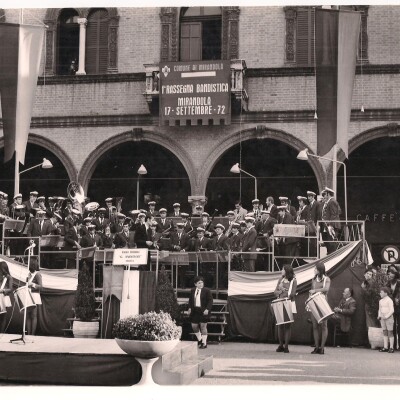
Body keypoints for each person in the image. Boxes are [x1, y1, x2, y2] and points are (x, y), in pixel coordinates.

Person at [274, 265, 297, 353]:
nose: (281, 270)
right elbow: (275, 292)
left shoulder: (293, 281)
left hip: (289, 303)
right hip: (280, 303)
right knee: (280, 325)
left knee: (287, 325)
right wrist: (280, 290)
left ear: (287, 271)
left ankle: (286, 346)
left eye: (283, 269)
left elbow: (292, 294)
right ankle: (280, 345)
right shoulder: (280, 280)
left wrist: (284, 290)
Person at [309, 261, 331, 355]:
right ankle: (316, 347)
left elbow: (326, 289)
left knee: (324, 326)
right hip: (314, 303)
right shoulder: (313, 280)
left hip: (322, 303)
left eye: (315, 268)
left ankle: (322, 348)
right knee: (315, 326)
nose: (314, 270)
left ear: (319, 270)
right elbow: (311, 292)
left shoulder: (327, 279)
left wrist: (315, 290)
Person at [187, 276, 213, 349]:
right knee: (194, 326)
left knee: (203, 327)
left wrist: (207, 309)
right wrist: (189, 308)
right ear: (195, 284)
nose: (201, 284)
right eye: (199, 283)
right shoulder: (192, 290)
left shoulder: (207, 291)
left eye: (202, 282)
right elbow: (190, 300)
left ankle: (204, 343)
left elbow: (210, 301)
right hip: (195, 310)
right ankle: (200, 340)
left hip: (203, 311)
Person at [321, 187, 342, 254]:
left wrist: (330, 225)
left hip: (332, 226)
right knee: (329, 243)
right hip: (329, 225)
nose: (324, 195)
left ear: (328, 194)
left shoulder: (332, 201)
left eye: (325, 194)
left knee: (331, 244)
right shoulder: (330, 201)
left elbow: (334, 214)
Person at [26, 259, 42, 336]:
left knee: (33, 315)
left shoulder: (38, 274)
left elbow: (41, 286)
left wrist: (32, 284)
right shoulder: (28, 274)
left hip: (35, 295)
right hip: (28, 295)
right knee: (28, 315)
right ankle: (28, 333)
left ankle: (33, 334)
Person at [386, 265, 400, 348]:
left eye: (391, 273)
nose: (390, 274)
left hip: (399, 306)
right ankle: (393, 345)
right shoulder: (388, 283)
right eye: (389, 273)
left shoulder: (399, 282)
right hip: (391, 307)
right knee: (392, 325)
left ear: (395, 274)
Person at [378, 286, 395, 353]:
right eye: (380, 292)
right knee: (384, 331)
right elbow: (379, 309)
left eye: (381, 292)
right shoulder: (380, 301)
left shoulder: (389, 300)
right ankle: (385, 347)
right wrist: (379, 316)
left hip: (389, 318)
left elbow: (392, 310)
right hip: (382, 318)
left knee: (390, 332)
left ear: (386, 293)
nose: (380, 294)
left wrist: (387, 316)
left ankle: (391, 347)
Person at [0, 261, 13, 333]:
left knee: (3, 316)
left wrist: (3, 290)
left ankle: (2, 332)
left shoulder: (9, 277)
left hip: (4, 298)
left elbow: (11, 289)